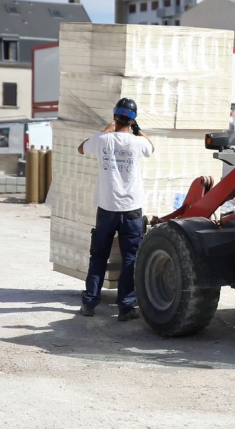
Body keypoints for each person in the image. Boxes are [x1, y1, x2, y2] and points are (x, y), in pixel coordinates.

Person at [77, 98, 155, 321]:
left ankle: (89, 304)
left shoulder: (102, 140)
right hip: (131, 208)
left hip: (107, 207)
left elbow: (81, 149)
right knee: (130, 257)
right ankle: (125, 308)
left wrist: (107, 130)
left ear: (114, 117)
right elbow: (151, 147)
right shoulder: (138, 143)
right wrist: (138, 131)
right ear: (133, 120)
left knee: (98, 255)